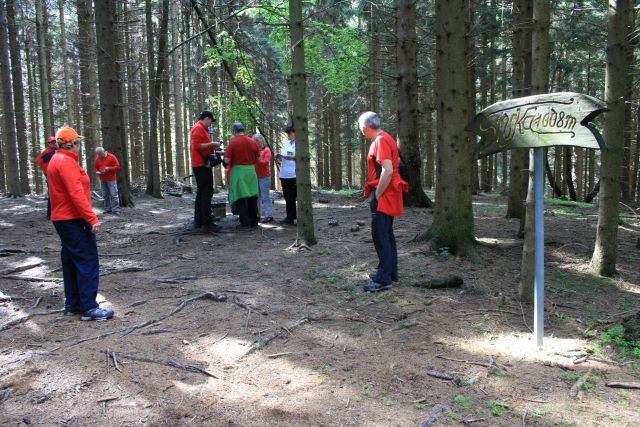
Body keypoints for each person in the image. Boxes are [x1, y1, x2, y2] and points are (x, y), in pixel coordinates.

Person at [47, 127, 114, 321]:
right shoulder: (65, 162)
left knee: (70, 260)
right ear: (72, 144)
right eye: (78, 143)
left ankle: (73, 303)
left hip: (63, 218)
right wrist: (91, 218)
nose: (80, 146)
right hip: (72, 218)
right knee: (87, 260)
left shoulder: (58, 160)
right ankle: (88, 308)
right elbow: (75, 193)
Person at [358, 112, 408, 292]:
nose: (362, 132)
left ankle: (383, 279)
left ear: (366, 128)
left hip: (384, 193)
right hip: (388, 192)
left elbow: (387, 170)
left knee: (380, 234)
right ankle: (390, 271)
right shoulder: (386, 138)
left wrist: (377, 194)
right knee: (386, 233)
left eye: (361, 129)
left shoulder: (380, 141)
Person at [223, 122, 260, 228]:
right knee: (252, 197)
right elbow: (258, 159)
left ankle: (245, 222)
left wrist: (224, 162)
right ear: (243, 130)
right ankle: (254, 221)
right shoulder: (253, 142)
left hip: (238, 172)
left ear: (234, 131)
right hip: (251, 171)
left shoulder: (233, 143)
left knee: (240, 197)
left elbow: (227, 160)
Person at [190, 111, 222, 233]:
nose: (211, 124)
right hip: (200, 165)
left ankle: (199, 220)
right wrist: (212, 144)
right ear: (207, 118)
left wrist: (213, 147)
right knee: (206, 193)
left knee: (202, 192)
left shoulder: (201, 128)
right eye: (210, 121)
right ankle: (206, 222)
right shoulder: (198, 128)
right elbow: (196, 146)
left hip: (202, 164)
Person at [276, 125, 297, 225]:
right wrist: (280, 158)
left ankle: (298, 217)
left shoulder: (300, 144)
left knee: (295, 197)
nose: (288, 136)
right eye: (287, 134)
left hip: (294, 175)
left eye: (290, 133)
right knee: (288, 198)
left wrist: (290, 157)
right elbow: (284, 155)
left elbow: (299, 157)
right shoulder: (287, 143)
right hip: (284, 174)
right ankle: (290, 217)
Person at [35, 136, 58, 219]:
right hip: (51, 177)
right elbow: (48, 167)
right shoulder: (48, 154)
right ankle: (50, 214)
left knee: (52, 194)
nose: (55, 143)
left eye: (55, 142)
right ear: (49, 144)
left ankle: (51, 213)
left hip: (50, 176)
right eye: (52, 142)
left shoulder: (51, 152)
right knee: (52, 195)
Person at [94, 147, 121, 216]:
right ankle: (107, 209)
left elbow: (117, 167)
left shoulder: (112, 157)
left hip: (111, 179)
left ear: (104, 152)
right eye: (98, 154)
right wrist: (97, 172)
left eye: (100, 154)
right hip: (102, 179)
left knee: (113, 194)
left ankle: (116, 210)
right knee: (105, 194)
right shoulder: (97, 159)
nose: (99, 156)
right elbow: (95, 168)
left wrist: (109, 168)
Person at [253, 133, 273, 223]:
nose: (256, 142)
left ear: (262, 140)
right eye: (254, 140)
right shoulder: (253, 150)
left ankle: (268, 215)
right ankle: (256, 215)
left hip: (264, 177)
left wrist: (257, 159)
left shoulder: (267, 150)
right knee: (256, 197)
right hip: (255, 177)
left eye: (257, 140)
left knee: (265, 197)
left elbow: (265, 162)